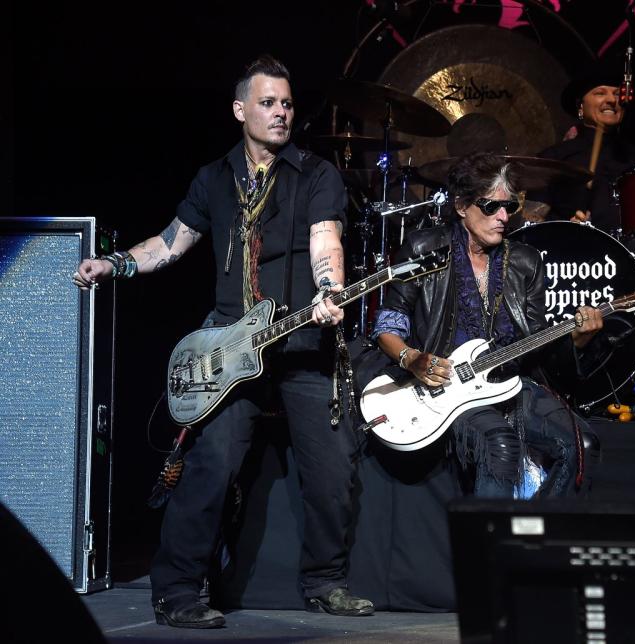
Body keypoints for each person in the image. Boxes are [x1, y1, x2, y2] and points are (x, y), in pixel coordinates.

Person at [73, 54, 373, 628]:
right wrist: (114, 264)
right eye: (268, 102)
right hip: (231, 348)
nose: (282, 112)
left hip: (302, 339)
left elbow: (325, 240)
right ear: (240, 110)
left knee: (334, 469)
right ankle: (178, 591)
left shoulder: (315, 175)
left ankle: (324, 582)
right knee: (210, 464)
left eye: (287, 103)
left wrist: (330, 289)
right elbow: (170, 244)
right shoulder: (213, 178)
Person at [369, 151, 604, 498]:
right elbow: (388, 325)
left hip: (508, 381)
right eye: (491, 206)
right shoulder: (423, 248)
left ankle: (531, 539)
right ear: (462, 206)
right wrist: (412, 358)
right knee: (500, 441)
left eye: (509, 207)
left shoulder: (525, 262)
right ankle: (487, 546)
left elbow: (540, 347)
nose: (503, 217)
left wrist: (578, 341)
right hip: (444, 388)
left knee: (583, 444)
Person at [525, 57, 635, 233]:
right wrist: (564, 228)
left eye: (617, 94)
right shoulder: (553, 158)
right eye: (600, 93)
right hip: (573, 254)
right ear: (581, 107)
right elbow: (531, 223)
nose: (611, 100)